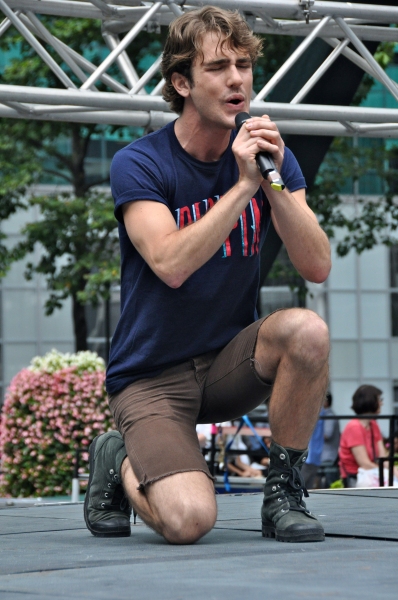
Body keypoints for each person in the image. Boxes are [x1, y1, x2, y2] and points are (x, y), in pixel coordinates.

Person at [83, 6, 331, 545]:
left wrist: (272, 184)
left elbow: (317, 264)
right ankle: (120, 457)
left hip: (226, 365)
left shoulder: (271, 160)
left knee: (308, 330)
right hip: (151, 375)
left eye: (243, 64)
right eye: (218, 67)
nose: (237, 78)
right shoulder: (140, 162)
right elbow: (170, 265)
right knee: (189, 521)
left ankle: (284, 492)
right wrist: (242, 187)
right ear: (182, 82)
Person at [339, 385, 387, 487]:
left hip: (371, 476)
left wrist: (393, 471)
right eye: (379, 399)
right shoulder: (354, 427)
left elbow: (383, 458)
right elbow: (364, 464)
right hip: (356, 479)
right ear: (370, 401)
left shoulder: (373, 425)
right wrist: (389, 472)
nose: (382, 403)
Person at [320, 392, 340, 487]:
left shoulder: (329, 416)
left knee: (330, 484)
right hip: (324, 456)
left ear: (326, 402)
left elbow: (327, 434)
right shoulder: (325, 415)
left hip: (328, 457)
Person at [301, 408, 325, 489]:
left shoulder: (309, 410)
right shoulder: (321, 410)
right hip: (315, 455)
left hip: (307, 456)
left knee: (298, 488)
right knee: (308, 489)